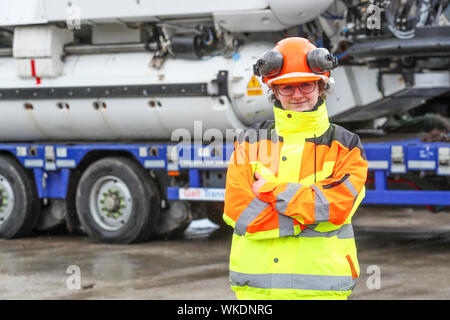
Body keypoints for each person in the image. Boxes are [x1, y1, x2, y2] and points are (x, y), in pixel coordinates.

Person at [223, 37, 368, 300]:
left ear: (321, 86)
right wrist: (306, 217)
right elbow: (239, 213)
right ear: (273, 91)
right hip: (257, 292)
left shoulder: (346, 145)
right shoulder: (250, 140)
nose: (297, 95)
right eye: (286, 88)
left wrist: (269, 190)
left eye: (305, 85)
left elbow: (338, 206)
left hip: (318, 292)